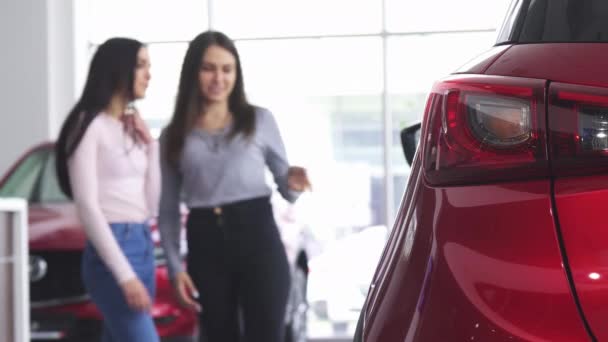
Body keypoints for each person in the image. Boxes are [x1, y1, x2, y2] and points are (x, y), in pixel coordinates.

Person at [158, 30, 311, 342]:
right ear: (193, 73)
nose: (218, 78)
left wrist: (294, 182)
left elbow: (287, 189)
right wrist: (175, 269)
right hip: (205, 241)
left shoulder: (260, 120)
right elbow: (168, 210)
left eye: (227, 69)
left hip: (258, 237)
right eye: (209, 68)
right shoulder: (173, 134)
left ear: (236, 74)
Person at [55, 37, 160, 342]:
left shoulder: (130, 129)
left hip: (142, 244)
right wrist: (125, 276)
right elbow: (87, 207)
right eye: (141, 66)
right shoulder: (89, 125)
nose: (148, 74)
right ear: (118, 69)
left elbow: (151, 204)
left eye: (148, 66)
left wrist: (150, 146)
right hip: (113, 250)